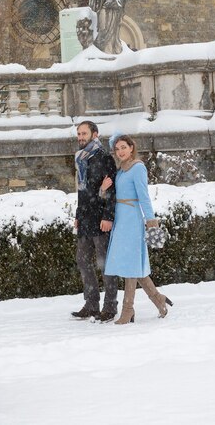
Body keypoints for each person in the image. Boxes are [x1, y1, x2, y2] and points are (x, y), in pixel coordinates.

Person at [102, 133, 173, 325]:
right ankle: (158, 299)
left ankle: (128, 310)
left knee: (131, 265)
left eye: (124, 147)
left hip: (132, 220)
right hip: (121, 220)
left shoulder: (138, 168)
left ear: (131, 147)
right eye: (117, 149)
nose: (120, 151)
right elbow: (113, 195)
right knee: (133, 264)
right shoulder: (121, 170)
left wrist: (151, 222)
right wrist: (103, 189)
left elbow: (144, 197)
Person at [71, 121, 118, 322]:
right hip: (85, 219)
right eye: (79, 134)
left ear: (95, 134)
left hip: (101, 220)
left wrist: (108, 216)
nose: (81, 137)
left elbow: (113, 191)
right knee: (83, 261)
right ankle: (91, 304)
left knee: (105, 264)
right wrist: (77, 216)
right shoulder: (81, 159)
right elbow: (82, 192)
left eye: (84, 133)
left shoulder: (104, 158)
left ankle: (110, 306)